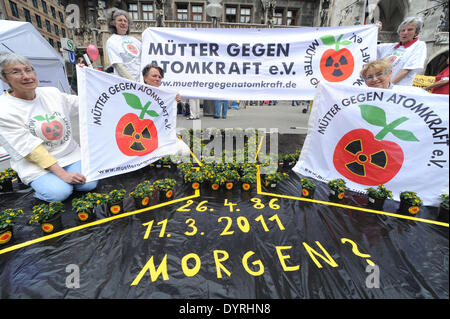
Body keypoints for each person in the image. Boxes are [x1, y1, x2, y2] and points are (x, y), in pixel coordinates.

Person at [0, 52, 98, 202]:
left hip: (68, 155)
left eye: (28, 70)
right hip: (35, 165)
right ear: (4, 79)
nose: (26, 76)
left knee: (88, 184)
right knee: (58, 193)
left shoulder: (51, 93)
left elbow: (83, 104)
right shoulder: (4, 109)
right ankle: (44, 188)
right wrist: (63, 175)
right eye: (16, 72)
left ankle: (66, 180)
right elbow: (32, 150)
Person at [141, 64, 190, 156]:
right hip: (143, 136)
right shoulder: (137, 94)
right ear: (145, 78)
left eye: (160, 77)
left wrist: (174, 99)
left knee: (185, 151)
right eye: (154, 76)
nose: (157, 79)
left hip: (163, 135)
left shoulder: (166, 95)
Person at [376, 17, 427, 86]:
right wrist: (375, 31)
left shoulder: (419, 45)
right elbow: (369, 48)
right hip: (382, 87)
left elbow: (406, 70)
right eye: (402, 30)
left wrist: (388, 85)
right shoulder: (391, 46)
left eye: (410, 30)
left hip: (397, 89)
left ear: (416, 32)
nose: (405, 33)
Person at [105, 9, 141, 82]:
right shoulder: (112, 41)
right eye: (120, 20)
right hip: (126, 83)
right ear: (114, 23)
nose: (123, 23)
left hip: (142, 82)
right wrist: (134, 82)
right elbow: (118, 66)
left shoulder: (135, 40)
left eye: (125, 21)